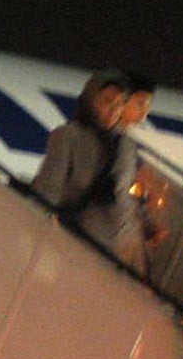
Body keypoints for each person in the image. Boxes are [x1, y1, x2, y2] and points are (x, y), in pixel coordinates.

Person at [33, 71, 149, 275]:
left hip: (121, 248)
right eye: (107, 101)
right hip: (80, 243)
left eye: (120, 103)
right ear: (90, 100)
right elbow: (49, 187)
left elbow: (123, 195)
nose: (114, 110)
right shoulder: (68, 136)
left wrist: (147, 225)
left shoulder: (126, 145)